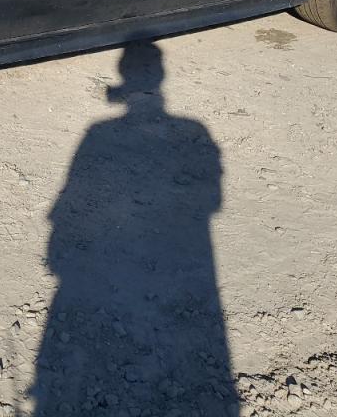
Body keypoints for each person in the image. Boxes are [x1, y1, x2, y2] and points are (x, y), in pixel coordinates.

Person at [32, 43, 237, 415]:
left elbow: (68, 198)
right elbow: (214, 200)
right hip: (192, 260)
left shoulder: (99, 131)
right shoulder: (193, 130)